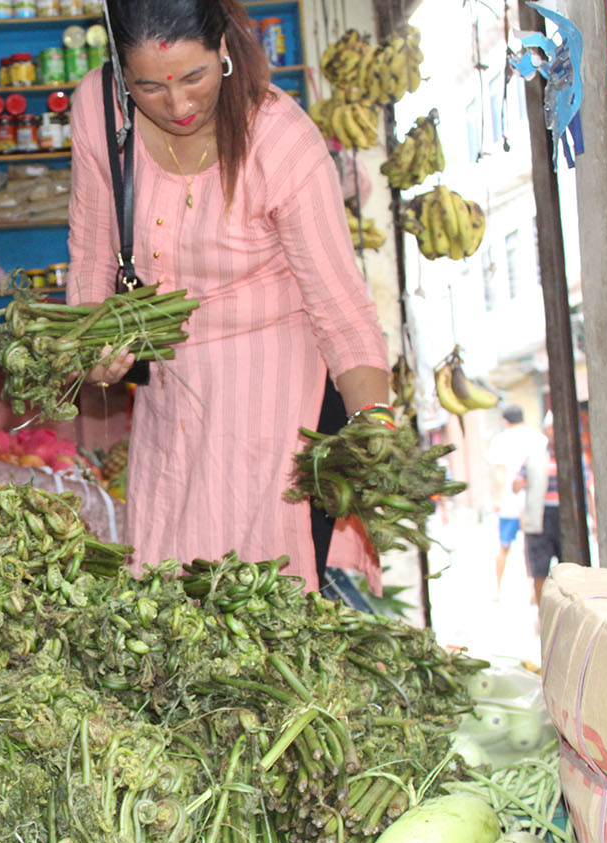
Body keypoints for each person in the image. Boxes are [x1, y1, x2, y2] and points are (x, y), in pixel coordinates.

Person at [68, 0, 391, 588]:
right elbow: (92, 253)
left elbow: (341, 309)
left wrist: (376, 428)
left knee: (267, 599)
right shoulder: (98, 107)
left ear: (222, 50)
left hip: (278, 412)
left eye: (194, 77)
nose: (179, 105)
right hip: (174, 404)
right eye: (150, 87)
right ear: (120, 73)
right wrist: (93, 345)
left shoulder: (279, 139)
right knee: (172, 602)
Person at [486, 403, 546, 598]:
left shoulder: (500, 440)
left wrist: (498, 498)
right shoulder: (537, 438)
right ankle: (533, 590)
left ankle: (497, 588)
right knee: (531, 546)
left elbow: (500, 473)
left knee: (504, 546)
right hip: (533, 501)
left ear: (505, 421)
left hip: (509, 502)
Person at [519, 415, 560, 609]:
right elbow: (518, 483)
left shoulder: (571, 456)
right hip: (541, 517)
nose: (553, 432)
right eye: (550, 428)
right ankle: (542, 613)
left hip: (563, 516)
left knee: (569, 569)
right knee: (539, 571)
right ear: (546, 431)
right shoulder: (534, 457)